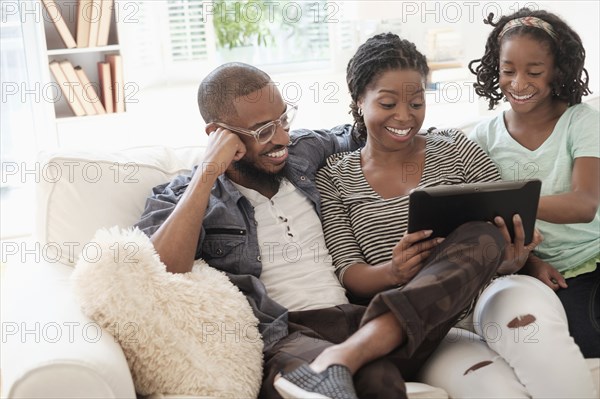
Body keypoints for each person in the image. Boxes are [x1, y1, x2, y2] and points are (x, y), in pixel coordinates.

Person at [135, 62, 509, 399]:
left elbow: (375, 125)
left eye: (283, 120)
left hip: (367, 318)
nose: (281, 139)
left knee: (483, 238)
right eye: (263, 131)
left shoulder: (304, 153)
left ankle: (355, 350)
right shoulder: (186, 196)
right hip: (288, 336)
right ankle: (343, 361)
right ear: (218, 134)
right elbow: (162, 267)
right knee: (378, 382)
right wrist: (207, 172)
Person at [316, 32, 597, 398]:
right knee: (493, 389)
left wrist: (519, 258)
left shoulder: (456, 146)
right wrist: (393, 271)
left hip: (495, 290)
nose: (404, 117)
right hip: (427, 327)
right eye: (387, 103)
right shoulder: (335, 177)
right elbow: (349, 271)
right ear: (359, 100)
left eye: (416, 103)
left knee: (545, 355)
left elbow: (507, 221)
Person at [469, 8, 600, 359]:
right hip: (536, 268)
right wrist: (531, 263)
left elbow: (584, 204)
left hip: (592, 257)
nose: (518, 83)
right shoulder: (482, 138)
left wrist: (511, 200)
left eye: (534, 71)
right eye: (507, 70)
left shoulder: (581, 121)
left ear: (557, 70)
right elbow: (485, 220)